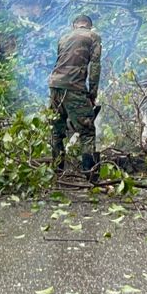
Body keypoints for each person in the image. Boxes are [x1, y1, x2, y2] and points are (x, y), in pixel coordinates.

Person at [49, 14, 103, 177]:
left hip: (55, 85)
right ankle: (89, 173)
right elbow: (94, 66)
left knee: (56, 131)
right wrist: (92, 92)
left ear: (74, 25)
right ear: (89, 25)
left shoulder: (64, 37)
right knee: (87, 131)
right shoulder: (93, 36)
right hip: (74, 86)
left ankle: (56, 173)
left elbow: (60, 62)